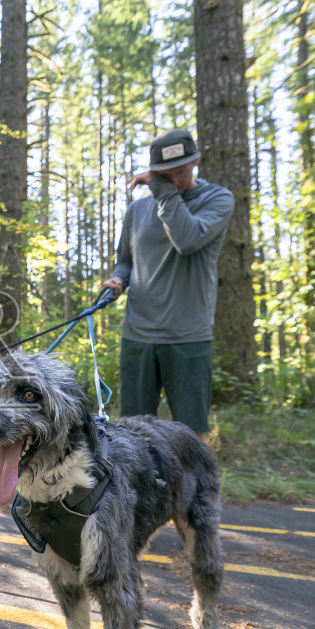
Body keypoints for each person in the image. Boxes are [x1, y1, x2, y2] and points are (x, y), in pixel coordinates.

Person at [100, 128, 234, 441]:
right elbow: (126, 260)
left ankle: (193, 478)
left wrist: (161, 188)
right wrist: (119, 279)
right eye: (164, 175)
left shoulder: (217, 200)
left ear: (196, 162)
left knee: (191, 434)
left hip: (188, 335)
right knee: (131, 431)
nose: (174, 181)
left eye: (181, 172)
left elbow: (187, 239)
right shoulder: (137, 210)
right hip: (138, 333)